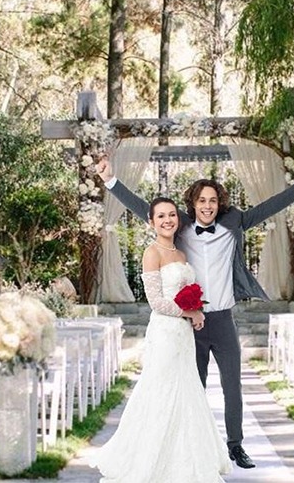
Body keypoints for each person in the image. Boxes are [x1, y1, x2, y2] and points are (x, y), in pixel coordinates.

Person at [95, 157, 294, 469]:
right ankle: (191, 449)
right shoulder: (180, 226)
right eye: (202, 200)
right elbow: (145, 208)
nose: (208, 206)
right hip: (190, 324)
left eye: (213, 200)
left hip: (223, 319)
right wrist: (110, 181)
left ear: (220, 204)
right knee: (192, 388)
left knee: (232, 386)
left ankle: (236, 446)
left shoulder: (234, 222)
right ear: (192, 204)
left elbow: (268, 207)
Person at [90, 197, 232, 482]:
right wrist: (189, 312)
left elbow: (187, 290)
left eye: (171, 215)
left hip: (183, 335)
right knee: (161, 392)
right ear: (151, 222)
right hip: (166, 332)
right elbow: (155, 301)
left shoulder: (181, 254)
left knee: (186, 390)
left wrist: (196, 310)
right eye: (161, 217)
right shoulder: (151, 252)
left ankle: (186, 459)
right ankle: (149, 462)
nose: (168, 220)